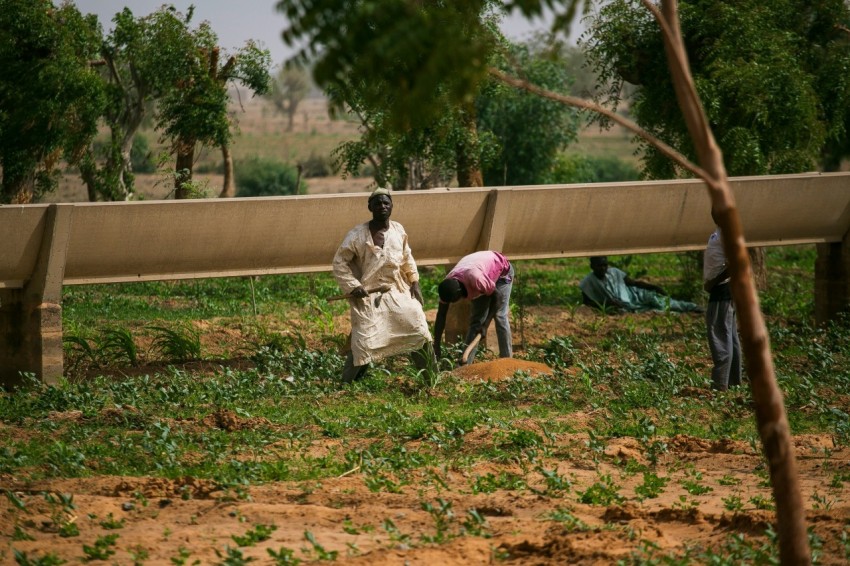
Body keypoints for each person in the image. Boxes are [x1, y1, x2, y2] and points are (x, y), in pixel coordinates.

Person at [332, 187, 435, 382]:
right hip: (368, 294)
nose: (382, 206)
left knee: (418, 328)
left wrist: (414, 281)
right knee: (364, 339)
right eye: (377, 203)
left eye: (386, 203)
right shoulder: (357, 235)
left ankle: (431, 378)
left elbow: (407, 257)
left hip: (398, 290)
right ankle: (347, 384)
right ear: (369, 206)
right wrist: (354, 286)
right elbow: (339, 263)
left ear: (392, 206)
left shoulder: (398, 230)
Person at [433, 250, 514, 365]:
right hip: (482, 273)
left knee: (500, 316)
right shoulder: (447, 286)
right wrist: (436, 344)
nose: (452, 303)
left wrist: (485, 325)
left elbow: (498, 297)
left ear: (460, 292)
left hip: (501, 273)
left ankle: (507, 361)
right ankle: (465, 364)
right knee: (476, 321)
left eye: (454, 300)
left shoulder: (475, 279)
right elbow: (441, 315)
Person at [579, 256, 702, 313]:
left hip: (635, 295)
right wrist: (608, 303)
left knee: (658, 300)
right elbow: (587, 303)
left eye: (604, 265)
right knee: (655, 311)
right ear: (592, 266)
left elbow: (633, 283)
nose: (602, 268)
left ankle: (692, 307)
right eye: (599, 265)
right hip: (622, 307)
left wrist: (654, 287)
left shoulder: (614, 272)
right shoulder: (588, 282)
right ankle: (683, 312)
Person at [703, 211, 742, 391]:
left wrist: (712, 282)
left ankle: (721, 385)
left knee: (720, 334)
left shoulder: (726, 233)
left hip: (722, 289)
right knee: (729, 335)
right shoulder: (720, 232)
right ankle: (733, 382)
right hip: (723, 289)